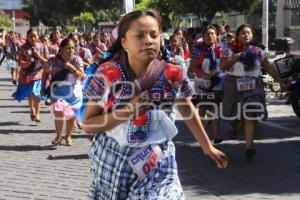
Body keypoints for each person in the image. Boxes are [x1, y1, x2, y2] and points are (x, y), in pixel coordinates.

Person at [81, 9, 228, 199]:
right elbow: (88, 124)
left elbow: (186, 107)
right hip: (113, 157)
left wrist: (207, 146)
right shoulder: (107, 74)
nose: (148, 40)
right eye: (139, 35)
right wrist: (127, 111)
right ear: (124, 42)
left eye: (154, 34)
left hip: (158, 157)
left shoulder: (174, 72)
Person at [220, 24, 287, 159]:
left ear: (252, 36)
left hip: (253, 85)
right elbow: (222, 66)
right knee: (233, 114)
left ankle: (249, 146)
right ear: (237, 35)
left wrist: (279, 81)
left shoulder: (258, 51)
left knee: (250, 113)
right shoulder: (229, 49)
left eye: (248, 33)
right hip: (233, 84)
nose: (246, 35)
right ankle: (233, 126)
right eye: (243, 33)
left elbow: (268, 67)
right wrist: (236, 57)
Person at [41, 38, 84, 146]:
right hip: (57, 91)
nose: (71, 50)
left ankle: (68, 136)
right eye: (68, 48)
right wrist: (42, 87)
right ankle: (58, 136)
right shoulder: (52, 60)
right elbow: (45, 73)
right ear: (61, 49)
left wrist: (71, 67)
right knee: (59, 110)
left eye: (73, 48)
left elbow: (82, 77)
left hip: (73, 91)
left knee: (71, 116)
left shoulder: (77, 60)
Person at [190, 25, 225, 144]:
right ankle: (202, 135)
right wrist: (204, 75)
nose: (210, 36)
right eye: (207, 34)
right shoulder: (198, 49)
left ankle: (216, 135)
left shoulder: (221, 48)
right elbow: (193, 67)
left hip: (217, 83)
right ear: (203, 37)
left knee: (215, 108)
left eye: (212, 33)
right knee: (203, 109)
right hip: (202, 84)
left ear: (216, 36)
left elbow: (225, 64)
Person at [12, 29, 49, 122]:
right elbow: (20, 62)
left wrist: (38, 56)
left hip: (38, 73)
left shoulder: (43, 47)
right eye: (30, 36)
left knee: (36, 93)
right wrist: (28, 62)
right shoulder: (22, 48)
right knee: (30, 93)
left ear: (38, 36)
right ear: (27, 37)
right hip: (26, 74)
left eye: (35, 36)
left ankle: (37, 113)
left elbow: (47, 62)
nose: (33, 38)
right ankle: (31, 108)